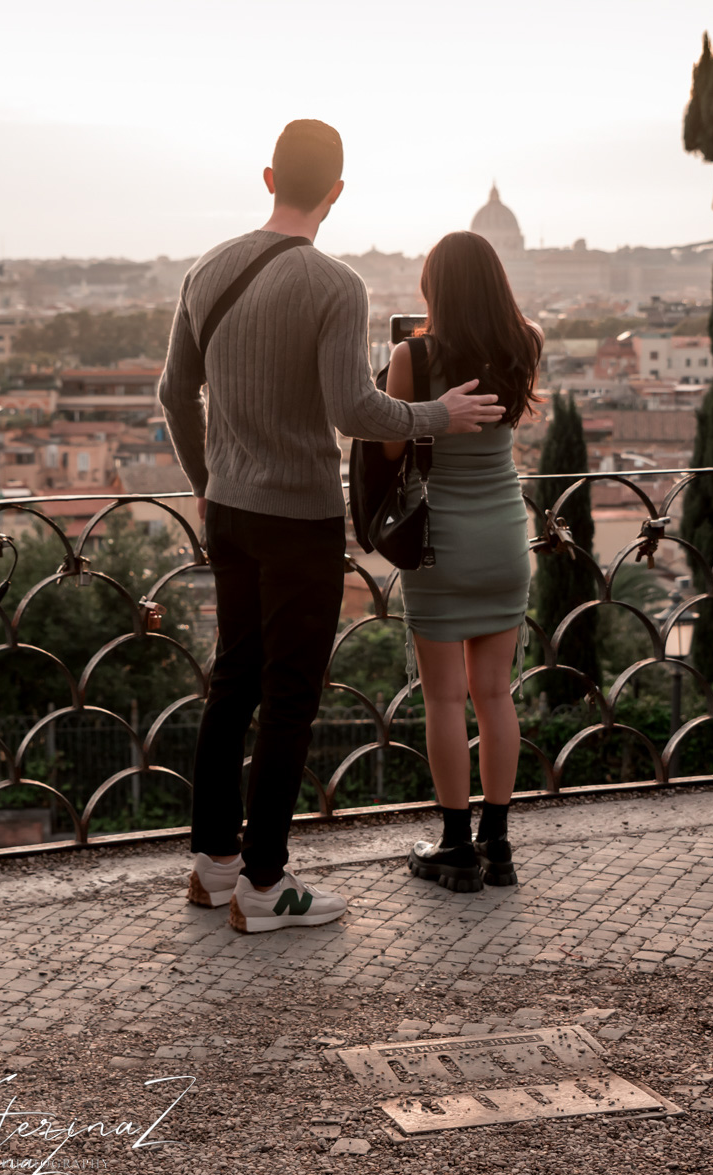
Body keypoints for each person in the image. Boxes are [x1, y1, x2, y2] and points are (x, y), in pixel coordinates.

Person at [158, 121, 505, 933]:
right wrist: (437, 413)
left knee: (230, 684)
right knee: (288, 698)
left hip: (232, 512)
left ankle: (213, 867)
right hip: (299, 516)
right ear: (337, 193)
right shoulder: (335, 285)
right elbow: (354, 411)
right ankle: (266, 886)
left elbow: (176, 394)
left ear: (270, 174)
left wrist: (207, 484)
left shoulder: (205, 269)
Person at [382, 230, 543, 891]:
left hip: (440, 542)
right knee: (496, 693)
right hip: (506, 535)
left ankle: (453, 845)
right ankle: (497, 844)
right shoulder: (523, 345)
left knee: (445, 697)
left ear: (433, 287)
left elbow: (389, 450)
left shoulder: (410, 355)